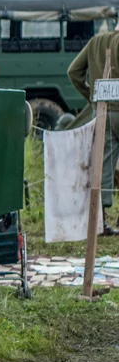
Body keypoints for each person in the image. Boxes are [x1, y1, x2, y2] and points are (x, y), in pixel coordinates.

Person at [67, 28, 119, 235]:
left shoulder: (95, 42)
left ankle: (100, 223)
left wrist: (92, 97)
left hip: (102, 111)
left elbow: (73, 72)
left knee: (102, 166)